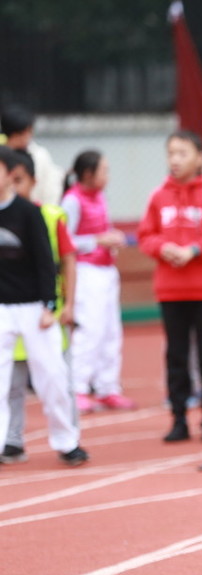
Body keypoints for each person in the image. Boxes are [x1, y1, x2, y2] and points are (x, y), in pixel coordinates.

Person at [136, 130, 202, 443]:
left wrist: (194, 250)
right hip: (171, 289)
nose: (175, 160)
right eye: (171, 153)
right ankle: (179, 418)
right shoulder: (158, 196)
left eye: (183, 153)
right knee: (176, 355)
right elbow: (146, 235)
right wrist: (163, 248)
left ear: (200, 158)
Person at [0, 147, 87, 467]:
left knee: (51, 377)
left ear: (10, 175)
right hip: (1, 310)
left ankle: (67, 442)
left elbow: (45, 263)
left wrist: (50, 305)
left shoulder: (29, 213)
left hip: (35, 308)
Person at [61, 149, 133, 413]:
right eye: (104, 170)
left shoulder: (101, 197)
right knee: (89, 331)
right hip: (85, 272)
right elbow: (64, 241)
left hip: (106, 270)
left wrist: (112, 237)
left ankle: (107, 387)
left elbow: (103, 227)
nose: (108, 176)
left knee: (111, 331)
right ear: (88, 174)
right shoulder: (72, 201)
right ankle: (78, 387)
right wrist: (98, 241)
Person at [1, 106, 63, 207]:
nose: (26, 137)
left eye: (29, 132)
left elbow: (50, 189)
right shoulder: (2, 157)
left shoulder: (40, 156)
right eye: (21, 134)